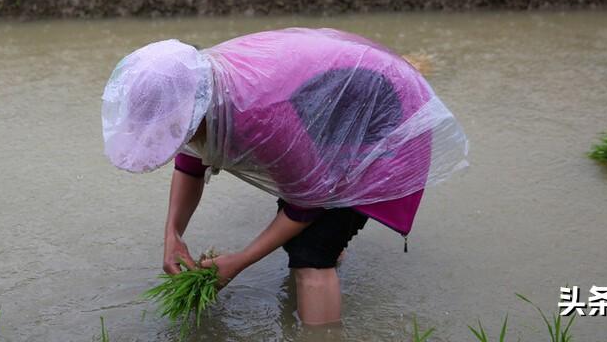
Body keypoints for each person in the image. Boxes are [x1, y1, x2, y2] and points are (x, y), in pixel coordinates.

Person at [101, 28, 468, 326]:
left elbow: (306, 204)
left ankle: (322, 329)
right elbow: (192, 159)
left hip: (387, 123)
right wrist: (173, 235)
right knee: (305, 232)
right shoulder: (204, 88)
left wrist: (239, 261)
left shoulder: (261, 116)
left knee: (311, 253)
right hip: (328, 111)